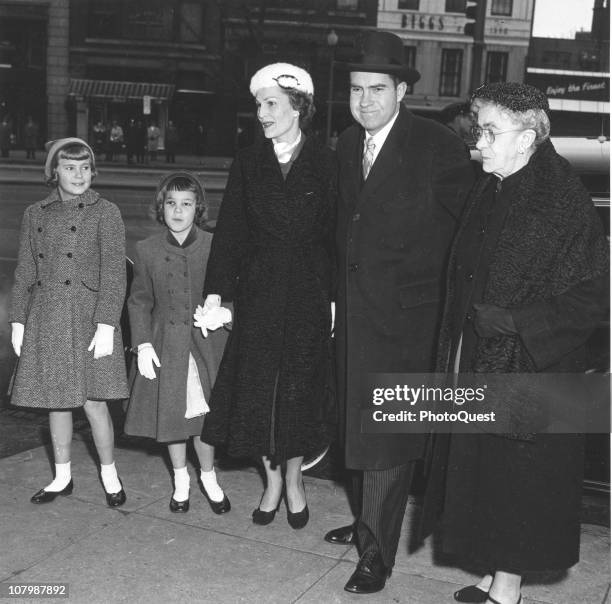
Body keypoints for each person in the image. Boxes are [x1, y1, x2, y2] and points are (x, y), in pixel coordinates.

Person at [424, 82, 608, 604]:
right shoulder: (498, 182)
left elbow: (595, 295)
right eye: (478, 128)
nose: (478, 141)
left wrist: (516, 322)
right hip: (483, 357)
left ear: (527, 137)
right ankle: (494, 572)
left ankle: (508, 588)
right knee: (484, 471)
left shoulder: (560, 195)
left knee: (515, 479)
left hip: (531, 367)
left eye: (489, 130)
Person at [326, 30, 475, 594]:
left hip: (408, 321)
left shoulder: (437, 146)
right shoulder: (345, 144)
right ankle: (369, 523)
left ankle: (376, 555)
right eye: (357, 89)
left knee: (388, 435)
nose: (364, 101)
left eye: (377, 89)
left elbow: (464, 232)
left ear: (402, 90)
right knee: (358, 427)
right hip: (355, 317)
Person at [199, 62, 336, 530]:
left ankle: (294, 481)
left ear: (298, 107)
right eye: (258, 104)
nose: (261, 113)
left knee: (296, 394)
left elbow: (338, 238)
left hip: (307, 296)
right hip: (258, 295)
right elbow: (231, 233)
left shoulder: (328, 161)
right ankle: (271, 482)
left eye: (271, 103)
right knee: (258, 393)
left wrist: (335, 297)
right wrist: (217, 293)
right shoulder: (248, 162)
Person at [8, 137, 129, 507]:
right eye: (69, 167)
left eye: (85, 167)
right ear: (54, 172)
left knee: (94, 402)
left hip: (90, 318)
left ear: (93, 171)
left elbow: (114, 272)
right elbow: (25, 269)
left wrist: (107, 322)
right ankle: (62, 477)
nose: (79, 175)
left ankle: (109, 474)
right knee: (56, 402)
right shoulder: (35, 213)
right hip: (47, 316)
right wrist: (17, 319)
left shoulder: (105, 211)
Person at [124, 172, 231, 514]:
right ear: (161, 207)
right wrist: (141, 343)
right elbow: (139, 300)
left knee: (204, 419)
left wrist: (225, 314)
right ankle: (181, 480)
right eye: (171, 203)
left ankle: (210, 478)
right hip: (165, 344)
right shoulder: (147, 250)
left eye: (187, 204)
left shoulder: (215, 246)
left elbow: (233, 293)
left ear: (198, 208)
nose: (178, 211)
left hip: (205, 345)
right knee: (171, 418)